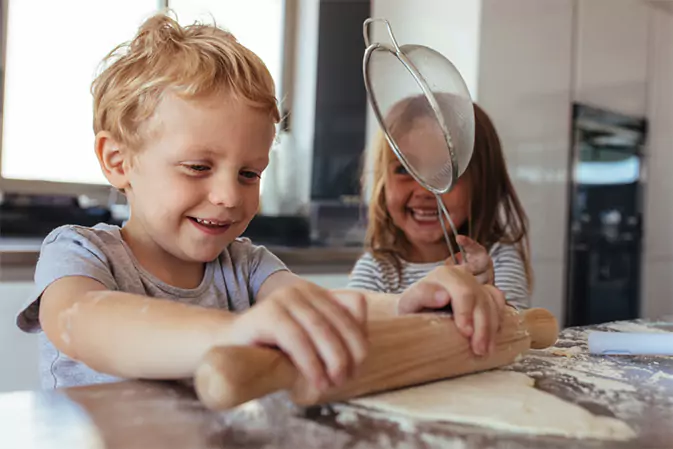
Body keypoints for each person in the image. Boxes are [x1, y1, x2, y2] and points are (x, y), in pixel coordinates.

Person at [16, 14, 504, 390]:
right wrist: (232, 332)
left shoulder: (246, 267)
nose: (229, 196)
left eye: (250, 173)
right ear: (118, 161)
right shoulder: (82, 253)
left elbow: (319, 310)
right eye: (198, 167)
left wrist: (409, 305)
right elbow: (85, 323)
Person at [349, 95, 532, 324]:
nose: (424, 190)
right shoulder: (376, 269)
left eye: (444, 171)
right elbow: (352, 330)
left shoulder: (496, 259)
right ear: (383, 181)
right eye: (405, 170)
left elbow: (514, 334)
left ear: (483, 182)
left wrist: (488, 299)